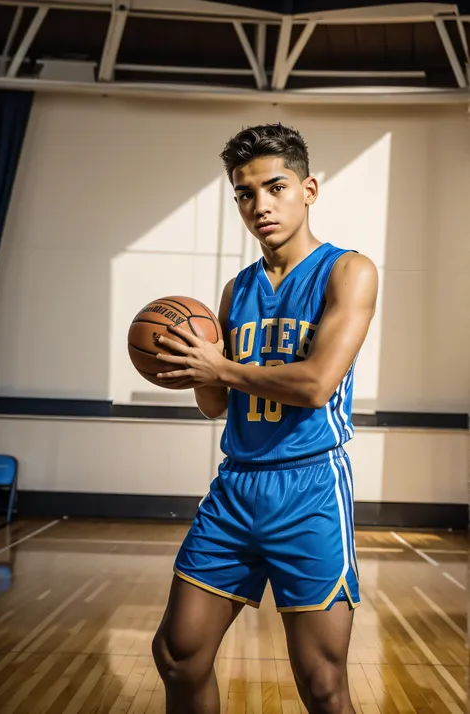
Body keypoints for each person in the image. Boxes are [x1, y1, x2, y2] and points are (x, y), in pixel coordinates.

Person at [152, 123, 378, 714]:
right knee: (179, 655)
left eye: (274, 187)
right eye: (244, 194)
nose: (260, 206)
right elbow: (217, 405)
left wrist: (219, 367)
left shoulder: (348, 271)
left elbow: (315, 383)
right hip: (237, 486)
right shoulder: (234, 292)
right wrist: (192, 368)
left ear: (309, 189)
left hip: (309, 489)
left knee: (323, 683)